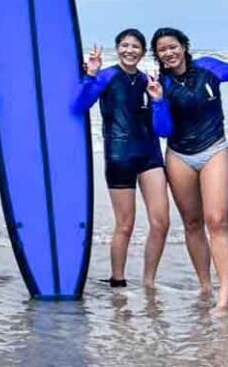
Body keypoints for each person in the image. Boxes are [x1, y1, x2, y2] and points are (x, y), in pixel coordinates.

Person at [151, 27, 228, 312]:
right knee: (192, 223)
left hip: (214, 149)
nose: (169, 52)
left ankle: (225, 294)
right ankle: (205, 286)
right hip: (179, 156)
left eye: (173, 46)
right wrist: (157, 101)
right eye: (163, 49)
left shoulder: (208, 68)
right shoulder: (160, 82)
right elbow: (163, 130)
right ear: (158, 55)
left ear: (184, 46)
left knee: (217, 221)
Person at [74, 29, 170, 288]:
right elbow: (79, 106)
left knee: (161, 222)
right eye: (125, 45)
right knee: (125, 225)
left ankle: (149, 281)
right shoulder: (106, 77)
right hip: (119, 157)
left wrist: (158, 100)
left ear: (142, 51)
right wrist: (90, 75)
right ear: (117, 49)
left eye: (135, 46)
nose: (130, 50)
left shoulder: (147, 80)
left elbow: (163, 130)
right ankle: (118, 279)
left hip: (150, 156)